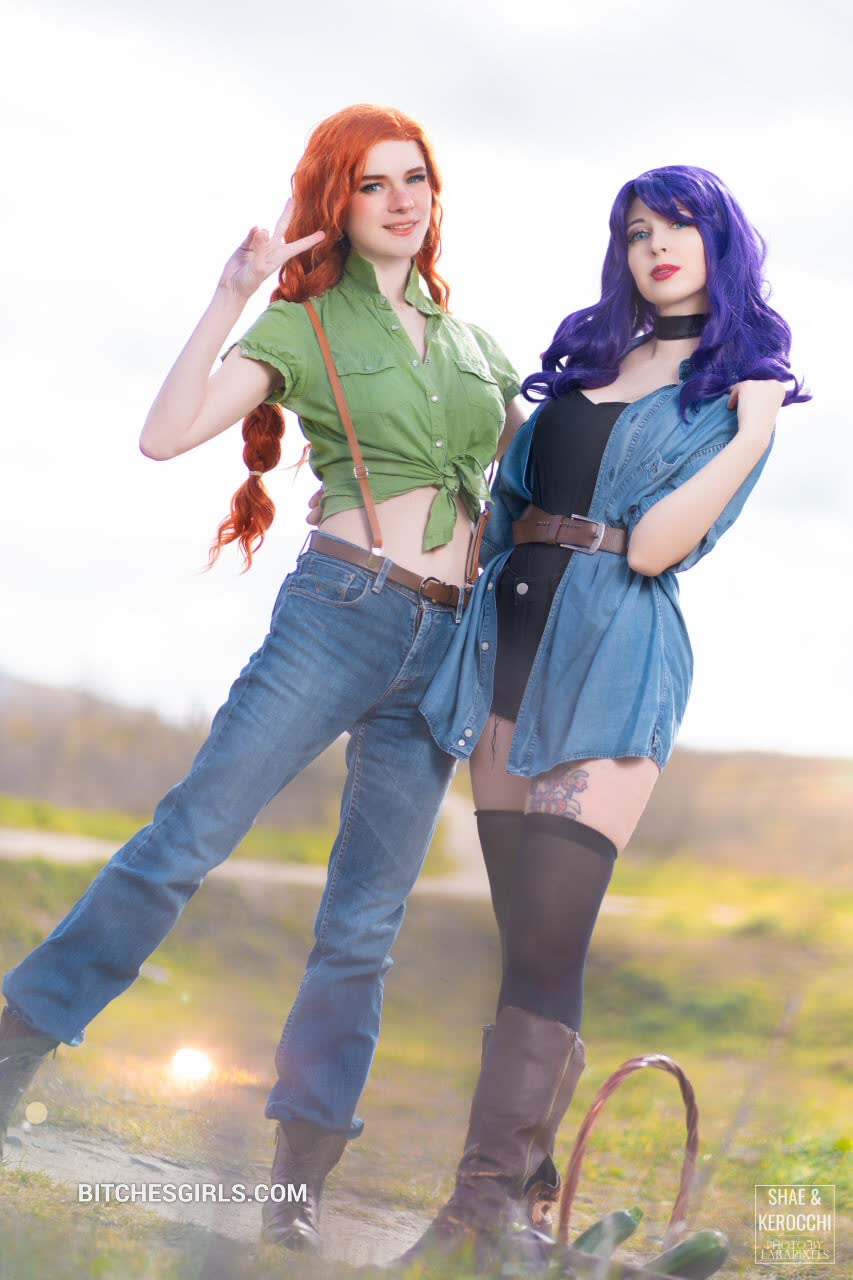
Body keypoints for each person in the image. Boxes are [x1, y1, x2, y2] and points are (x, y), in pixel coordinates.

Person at [0, 103, 525, 1253]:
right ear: (337, 201)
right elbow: (166, 433)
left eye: (415, 178)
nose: (401, 199)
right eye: (373, 183)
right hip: (339, 613)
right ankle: (16, 1041)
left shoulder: (480, 347)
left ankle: (299, 1182)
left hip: (449, 646)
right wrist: (230, 292)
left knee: (365, 923)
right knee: (187, 838)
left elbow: (527, 495)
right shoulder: (302, 324)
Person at [402, 164, 808, 1267]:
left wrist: (753, 432)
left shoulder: (736, 393)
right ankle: (515, 1206)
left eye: (678, 226)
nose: (656, 245)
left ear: (720, 243)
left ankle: (474, 1210)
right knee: (520, 947)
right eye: (636, 231)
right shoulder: (587, 365)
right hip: (506, 656)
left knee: (548, 942)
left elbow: (655, 547)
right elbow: (501, 511)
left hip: (613, 663)